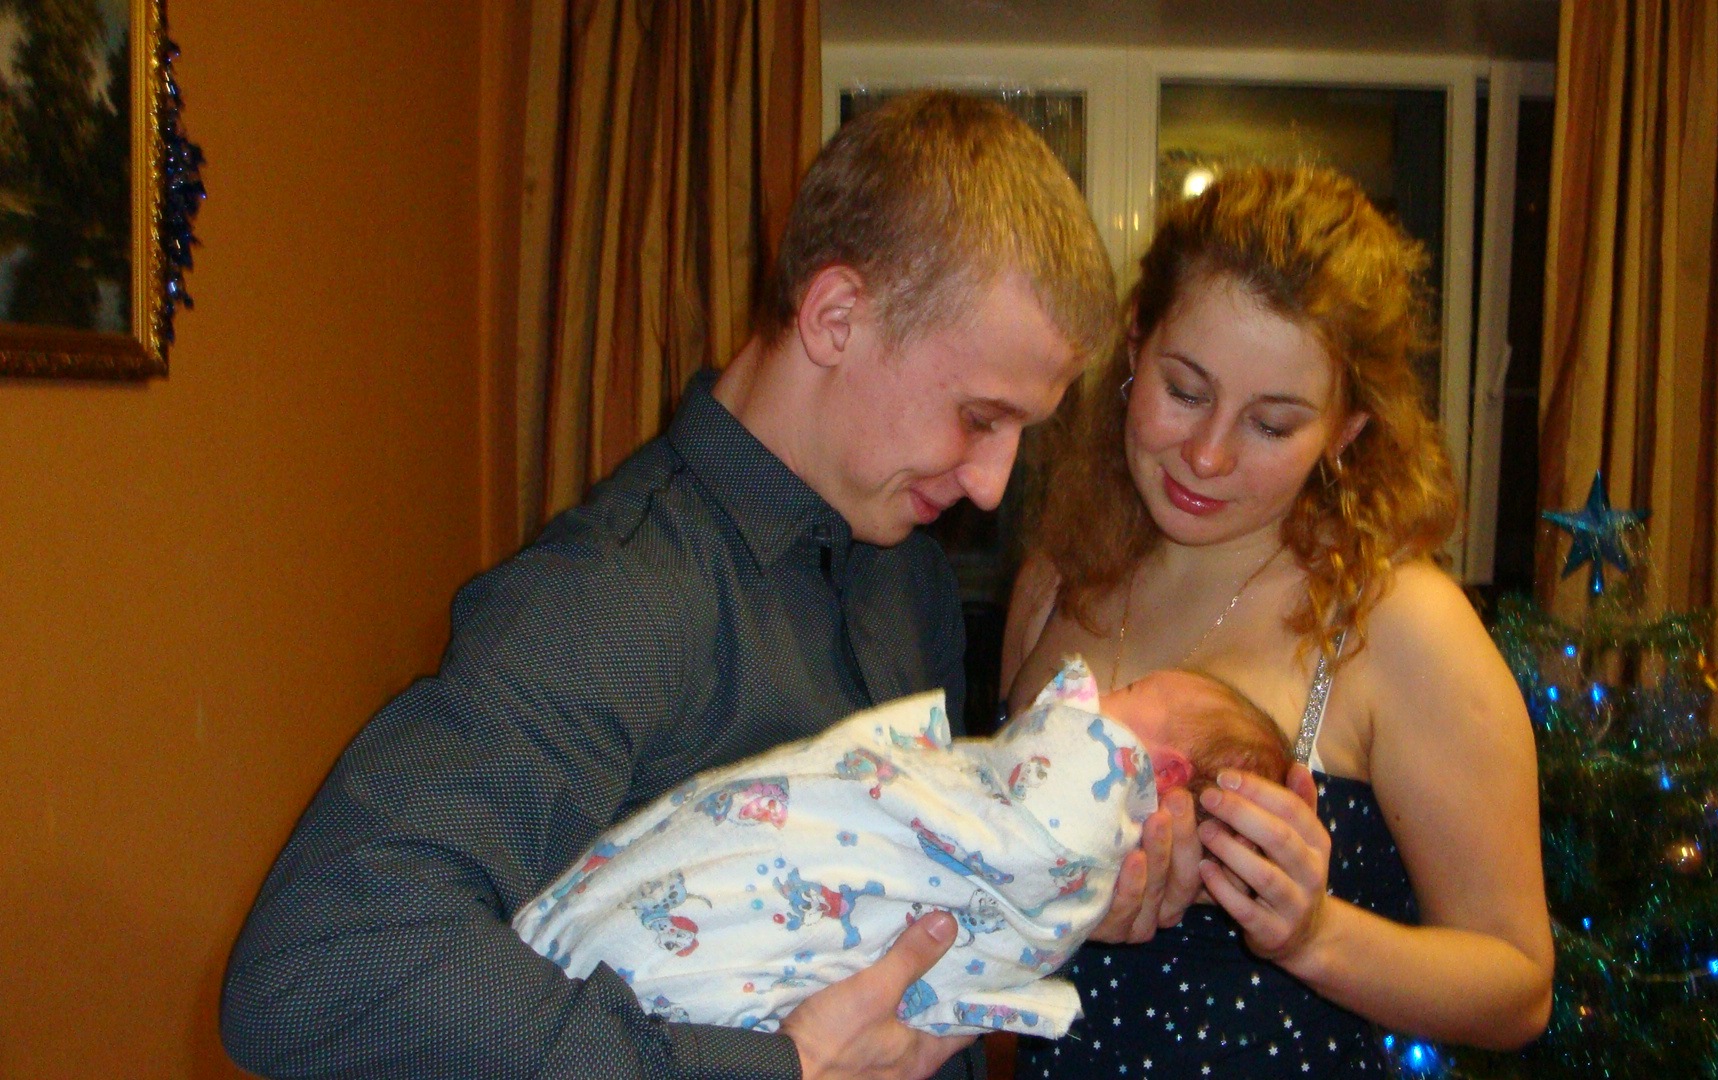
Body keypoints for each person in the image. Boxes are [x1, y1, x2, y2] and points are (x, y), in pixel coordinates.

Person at [220, 91, 1118, 1080]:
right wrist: (778, 1069)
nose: (992, 485)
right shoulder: (616, 600)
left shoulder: (910, 582)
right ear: (836, 317)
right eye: (980, 418)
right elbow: (319, 967)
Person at [1000, 166, 1555, 1077]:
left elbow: (1517, 988)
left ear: (1344, 433)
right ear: (1135, 346)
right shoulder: (1056, 584)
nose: (1207, 454)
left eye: (1272, 424)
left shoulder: (1395, 625)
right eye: (1185, 390)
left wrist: (1313, 936)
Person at [512, 658, 1287, 1040]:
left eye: (1130, 697)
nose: (1095, 694)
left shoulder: (1094, 780)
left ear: (1160, 773)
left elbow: (1032, 835)